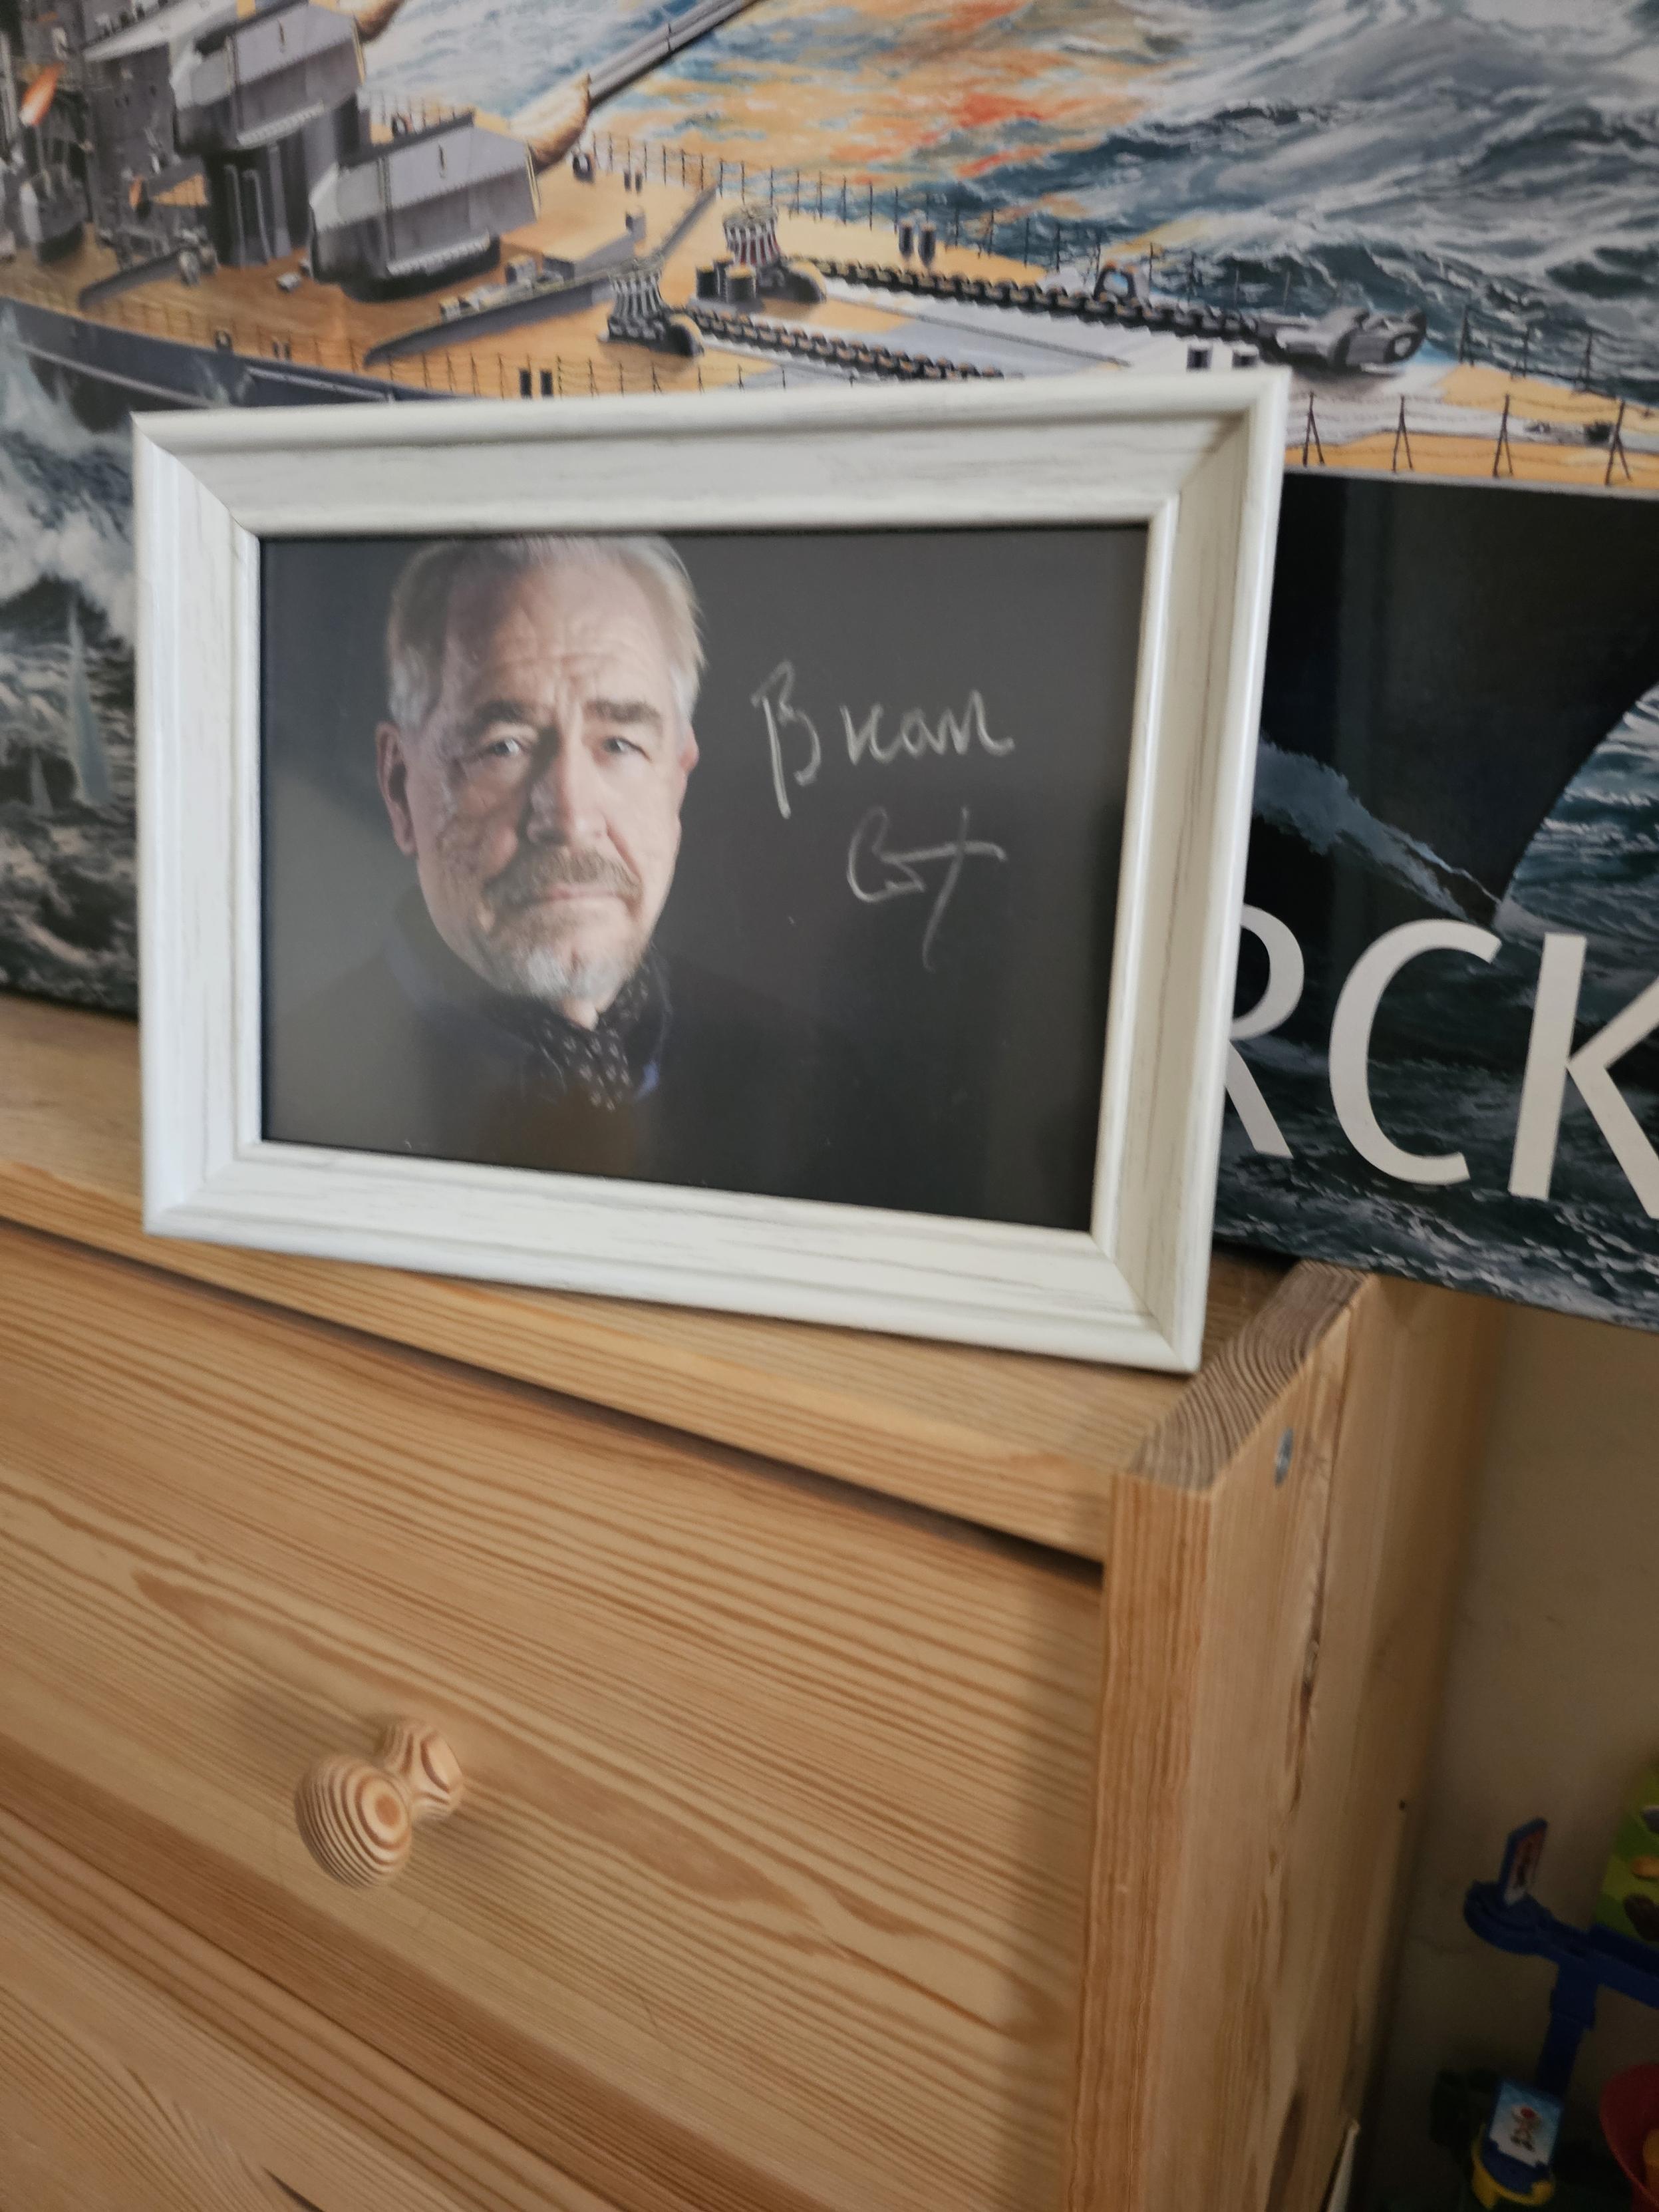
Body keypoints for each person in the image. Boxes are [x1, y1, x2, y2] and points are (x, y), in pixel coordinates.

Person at [265, 534, 872, 1201]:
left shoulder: (811, 1081)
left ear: (676, 783)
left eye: (619, 743)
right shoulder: (278, 1094)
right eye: (504, 745)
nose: (572, 815)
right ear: (399, 783)